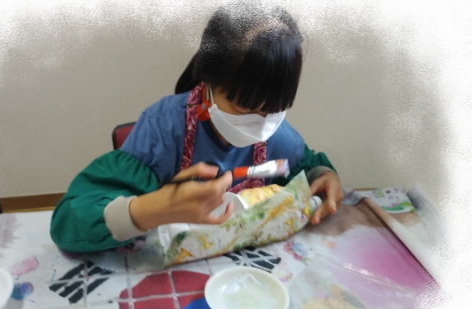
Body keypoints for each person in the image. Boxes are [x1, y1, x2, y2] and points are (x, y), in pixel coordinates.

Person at [50, 1, 343, 253]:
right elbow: (69, 222)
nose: (262, 123)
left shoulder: (279, 138)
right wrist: (150, 209)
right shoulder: (162, 131)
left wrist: (324, 175)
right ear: (208, 81)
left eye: (274, 110)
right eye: (244, 108)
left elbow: (305, 166)